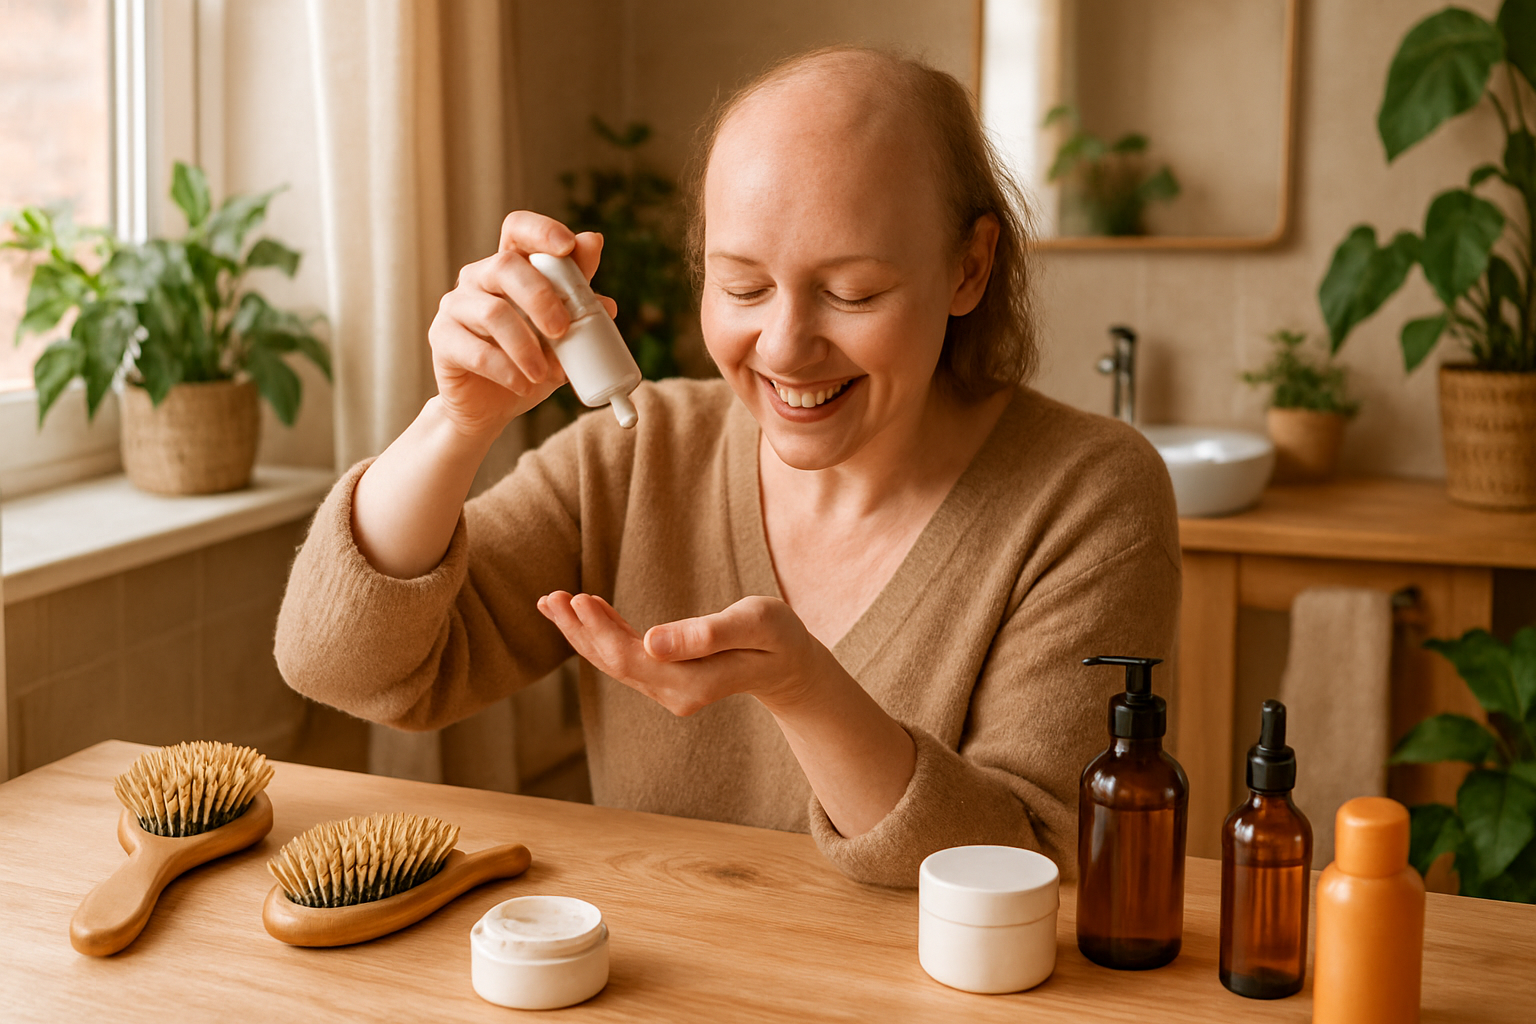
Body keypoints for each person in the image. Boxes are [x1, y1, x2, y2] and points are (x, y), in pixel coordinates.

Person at [275, 46, 1179, 887]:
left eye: (851, 292)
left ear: (969, 269)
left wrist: (802, 689)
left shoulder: (1089, 495)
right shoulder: (638, 455)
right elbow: (343, 665)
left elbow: (1042, 872)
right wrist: (455, 422)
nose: (784, 345)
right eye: (741, 285)